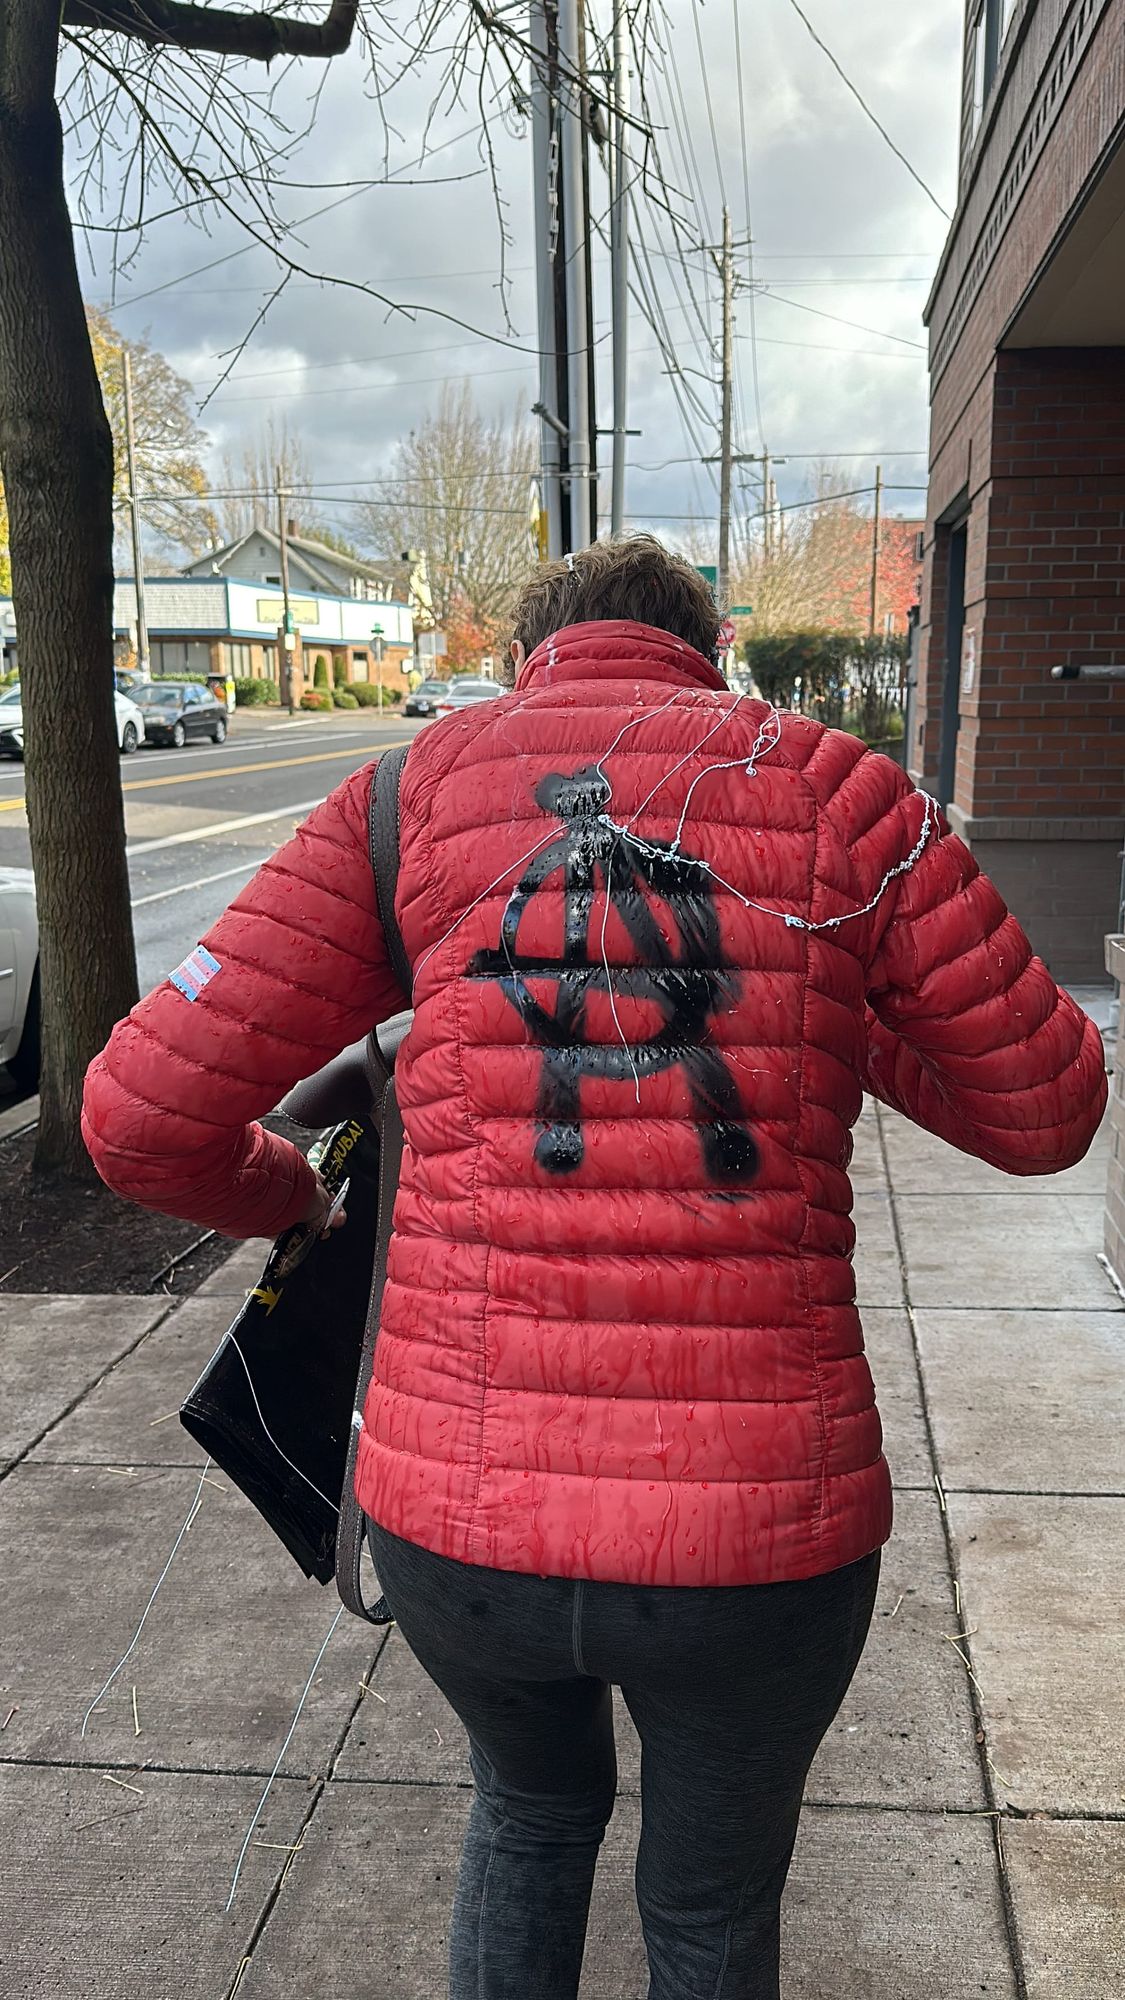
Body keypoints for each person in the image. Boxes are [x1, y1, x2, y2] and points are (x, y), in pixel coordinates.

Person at [83, 536, 1107, 2000]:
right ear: (709, 650)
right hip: (760, 1534)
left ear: (527, 659)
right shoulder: (843, 794)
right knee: (709, 1906)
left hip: (463, 1523)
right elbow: (1045, 1113)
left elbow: (136, 1118)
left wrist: (289, 1199)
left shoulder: (405, 802)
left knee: (529, 1815)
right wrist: (825, 1009)